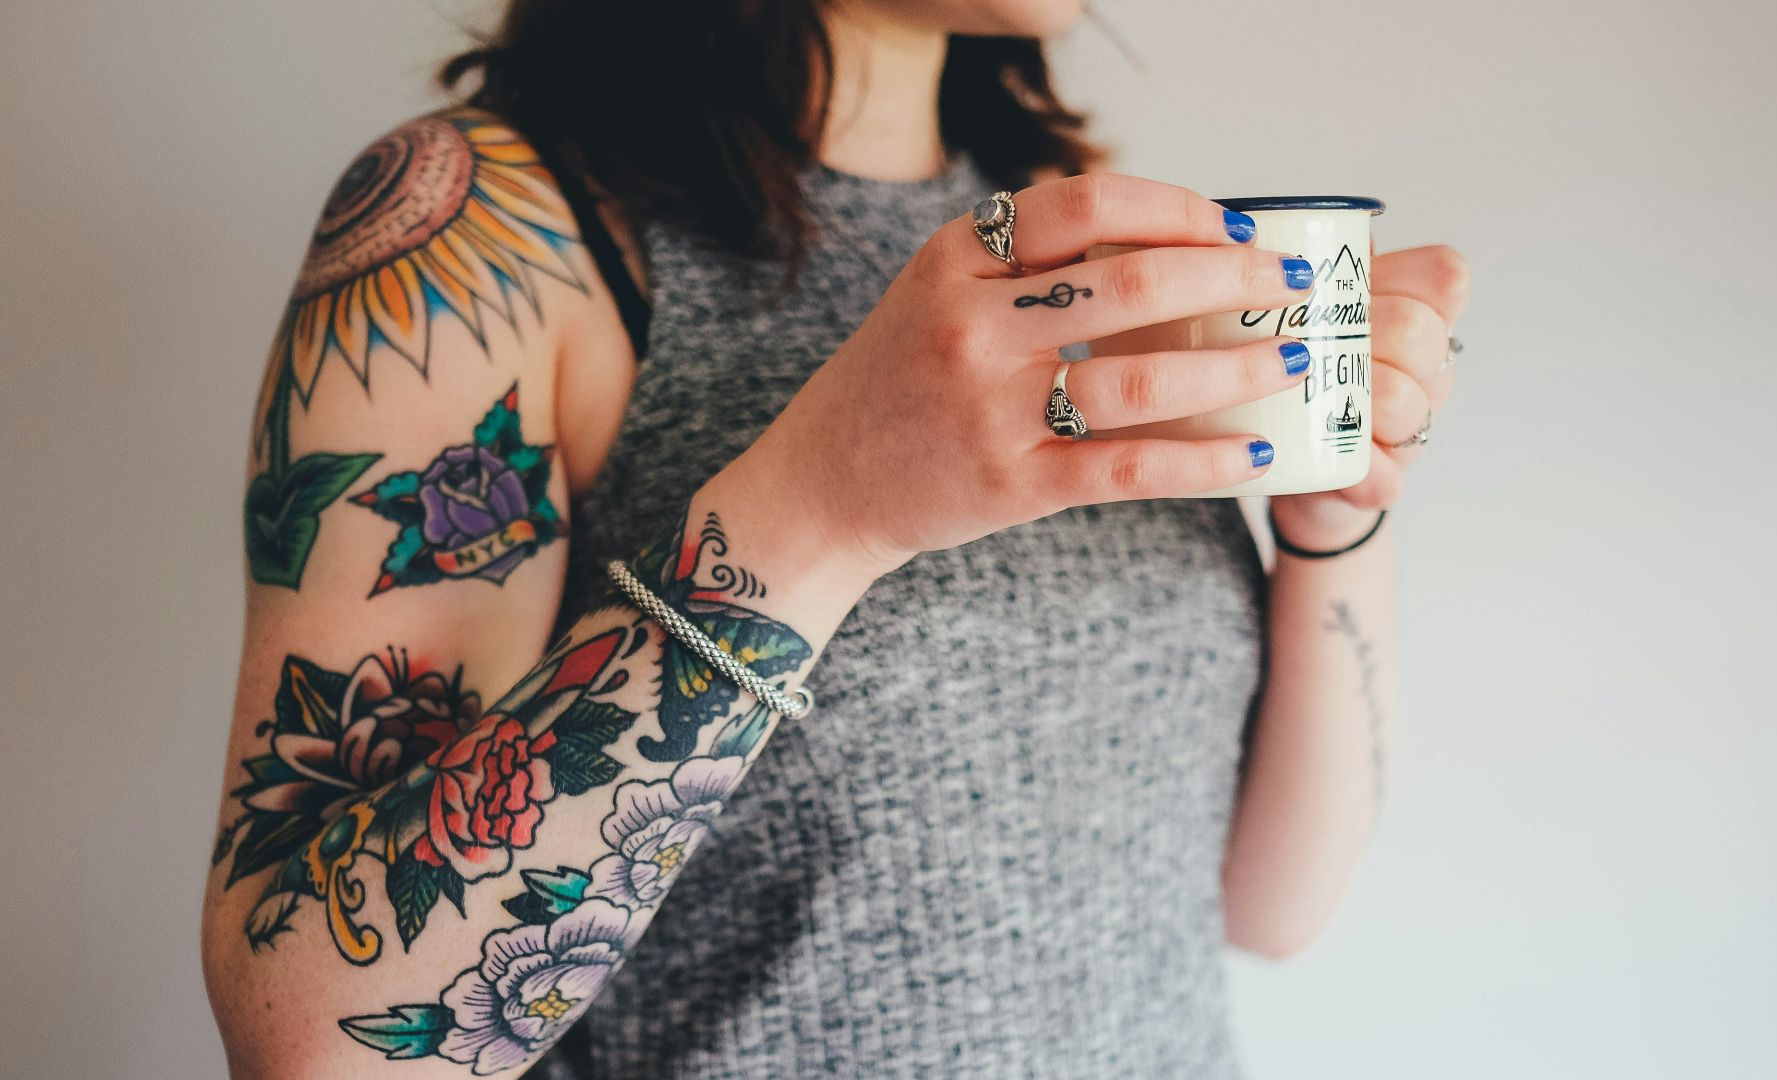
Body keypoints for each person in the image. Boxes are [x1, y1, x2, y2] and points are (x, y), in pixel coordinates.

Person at [199, 1, 1470, 1076]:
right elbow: (316, 1042)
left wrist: (1335, 528)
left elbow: (1270, 909)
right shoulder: (479, 232)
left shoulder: (1066, 245)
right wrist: (822, 507)